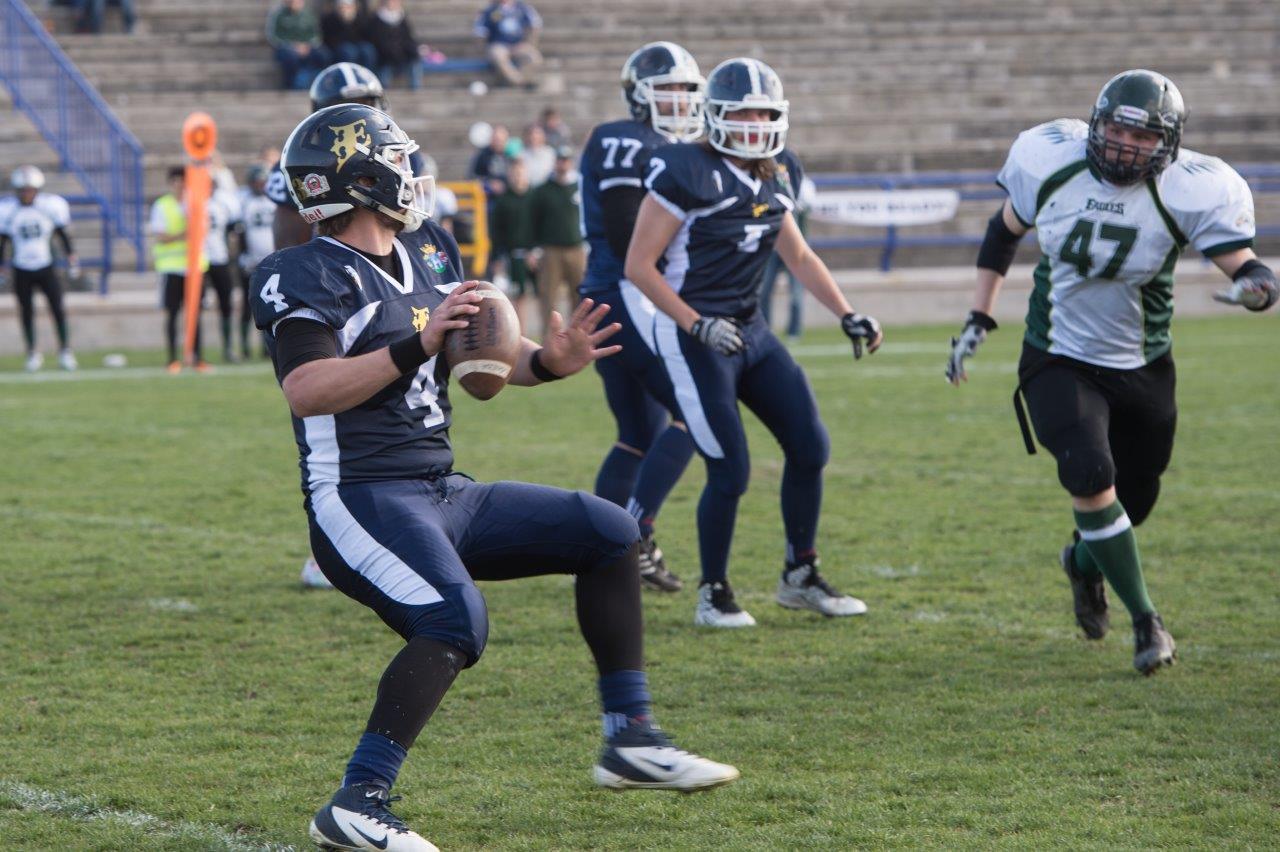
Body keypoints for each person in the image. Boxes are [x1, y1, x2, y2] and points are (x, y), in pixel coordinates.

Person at [251, 104, 739, 851]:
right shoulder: (303, 271)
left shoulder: (429, 249)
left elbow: (475, 358)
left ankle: (630, 738)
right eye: (397, 161)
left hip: (443, 488)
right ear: (361, 178)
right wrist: (419, 344)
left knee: (609, 532)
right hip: (358, 496)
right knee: (453, 618)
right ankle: (357, 799)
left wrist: (548, 361)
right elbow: (308, 389)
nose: (412, 175)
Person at [944, 69, 1275, 675]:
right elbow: (1002, 232)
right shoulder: (1051, 160)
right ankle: (1147, 621)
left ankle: (1083, 562)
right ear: (1096, 125)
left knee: (1136, 498)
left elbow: (1247, 266)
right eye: (1118, 131)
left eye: (1144, 137)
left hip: (1143, 364)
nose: (1126, 146)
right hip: (1058, 355)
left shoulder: (1193, 188)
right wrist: (979, 318)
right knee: (1090, 472)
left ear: (1168, 145)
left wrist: (1257, 289)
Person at [624, 58, 884, 627]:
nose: (753, 121)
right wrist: (696, 324)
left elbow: (799, 255)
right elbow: (640, 267)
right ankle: (713, 592)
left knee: (811, 446)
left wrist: (847, 311)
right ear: (714, 115)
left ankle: (800, 574)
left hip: (751, 331)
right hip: (695, 334)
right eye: (742, 111)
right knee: (730, 468)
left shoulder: (780, 169)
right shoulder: (684, 168)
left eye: (764, 111)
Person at [579, 42, 709, 592]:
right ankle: (631, 539)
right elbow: (624, 229)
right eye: (669, 89)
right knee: (695, 415)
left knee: (637, 432)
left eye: (686, 90)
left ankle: (599, 549)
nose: (679, 100)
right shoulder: (622, 138)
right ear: (639, 95)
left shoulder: (666, 145)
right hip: (625, 293)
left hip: (618, 293)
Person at [0, 165, 78, 371]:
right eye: (23, 190)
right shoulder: (8, 211)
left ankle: (65, 351)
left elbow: (62, 233)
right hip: (21, 267)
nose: (27, 194)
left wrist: (71, 257)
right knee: (26, 311)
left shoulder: (48, 207)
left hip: (46, 265)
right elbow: (3, 241)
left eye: (30, 190)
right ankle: (32, 353)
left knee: (57, 308)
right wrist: (2, 267)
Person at [150, 166, 209, 372]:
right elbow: (161, 236)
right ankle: (172, 358)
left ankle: (198, 357)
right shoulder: (162, 205)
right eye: (176, 180)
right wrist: (184, 234)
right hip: (172, 268)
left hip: (195, 268)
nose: (180, 184)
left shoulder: (196, 203)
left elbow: (203, 229)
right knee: (173, 314)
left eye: (183, 180)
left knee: (196, 314)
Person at [529, 146, 585, 337]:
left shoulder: (579, 186)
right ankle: (549, 338)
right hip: (551, 249)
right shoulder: (543, 190)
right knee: (548, 296)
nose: (563, 163)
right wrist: (535, 248)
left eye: (566, 160)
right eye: (560, 160)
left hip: (576, 248)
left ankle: (576, 336)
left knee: (578, 295)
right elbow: (534, 220)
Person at [759, 174, 816, 339]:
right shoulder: (765, 183)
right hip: (772, 248)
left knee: (796, 293)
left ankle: (794, 331)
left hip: (796, 248)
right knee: (764, 290)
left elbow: (801, 205)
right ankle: (765, 329)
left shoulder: (804, 185)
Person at [488, 157, 536, 329]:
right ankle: (520, 335)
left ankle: (549, 336)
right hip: (514, 255)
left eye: (520, 173)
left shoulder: (535, 197)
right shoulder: (503, 201)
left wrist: (536, 251)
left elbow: (543, 225)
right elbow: (496, 232)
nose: (517, 177)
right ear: (509, 175)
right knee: (518, 297)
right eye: (514, 173)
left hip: (536, 255)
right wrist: (498, 257)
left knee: (544, 294)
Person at [237, 164, 276, 359]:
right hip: (251, 261)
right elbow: (238, 232)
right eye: (258, 182)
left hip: (270, 260)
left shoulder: (273, 202)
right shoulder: (244, 201)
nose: (261, 186)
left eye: (263, 182)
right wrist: (243, 255)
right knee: (247, 305)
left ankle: (267, 347)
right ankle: (244, 348)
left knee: (268, 304)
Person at [204, 185, 242, 363]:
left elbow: (231, 231)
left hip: (219, 257)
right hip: (198, 260)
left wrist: (231, 251)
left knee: (226, 303)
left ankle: (227, 348)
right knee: (196, 305)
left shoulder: (221, 204)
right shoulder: (191, 204)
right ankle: (195, 351)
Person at [473, 0, 542, 89]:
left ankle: (522, 80)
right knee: (498, 56)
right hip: (499, 45)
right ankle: (519, 82)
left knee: (534, 58)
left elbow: (535, 26)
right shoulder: (489, 10)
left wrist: (528, 43)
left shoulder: (523, 8)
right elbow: (480, 32)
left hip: (518, 44)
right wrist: (484, 48)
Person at [266, 0, 331, 91]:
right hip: (286, 48)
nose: (295, 2)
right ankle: (291, 86)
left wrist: (307, 45)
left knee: (324, 55)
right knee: (290, 58)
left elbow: (317, 35)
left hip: (307, 47)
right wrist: (292, 46)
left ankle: (319, 85)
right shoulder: (278, 15)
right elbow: (273, 37)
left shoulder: (309, 15)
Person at [368, 0, 422, 91]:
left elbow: (408, 38)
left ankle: (415, 88)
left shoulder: (402, 18)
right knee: (384, 63)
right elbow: (377, 40)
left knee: (414, 59)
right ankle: (384, 88)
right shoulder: (376, 19)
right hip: (384, 55)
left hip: (401, 53)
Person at [321, 0, 378, 71]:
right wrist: (344, 22)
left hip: (357, 44)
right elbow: (331, 39)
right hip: (339, 46)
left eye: (348, 7)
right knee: (349, 51)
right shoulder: (330, 19)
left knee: (368, 50)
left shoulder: (360, 18)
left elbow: (365, 35)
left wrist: (351, 20)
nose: (346, 9)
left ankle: (366, 75)